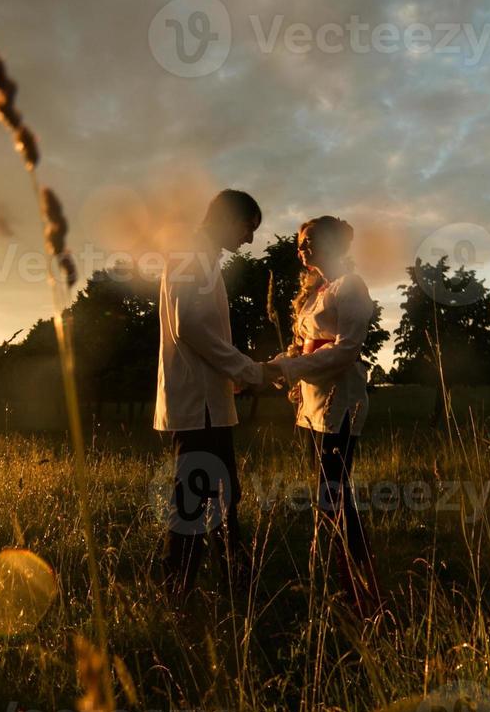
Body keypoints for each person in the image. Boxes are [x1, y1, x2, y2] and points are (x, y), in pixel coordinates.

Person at [154, 189, 277, 601]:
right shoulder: (190, 254)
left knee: (223, 497)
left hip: (208, 400)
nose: (249, 239)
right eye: (248, 227)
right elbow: (187, 324)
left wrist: (231, 375)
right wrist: (242, 368)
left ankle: (234, 588)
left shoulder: (202, 258)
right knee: (194, 503)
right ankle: (179, 596)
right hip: (198, 405)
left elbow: (203, 332)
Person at [268, 216, 382, 616]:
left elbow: (347, 349)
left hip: (341, 405)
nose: (301, 249)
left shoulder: (350, 287)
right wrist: (271, 369)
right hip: (310, 407)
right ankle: (340, 582)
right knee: (326, 499)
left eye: (309, 241)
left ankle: (363, 592)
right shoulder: (314, 294)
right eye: (299, 243)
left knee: (335, 496)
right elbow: (301, 350)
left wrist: (293, 368)